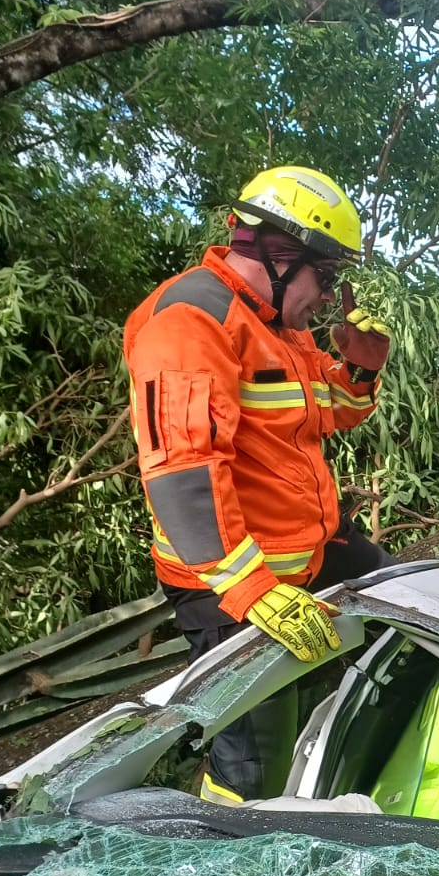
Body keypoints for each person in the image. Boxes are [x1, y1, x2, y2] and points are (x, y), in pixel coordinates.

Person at [123, 164, 393, 804]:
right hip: (224, 582)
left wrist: (359, 366)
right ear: (278, 253)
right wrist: (252, 591)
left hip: (305, 548)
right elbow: (182, 473)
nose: (329, 296)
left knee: (405, 610)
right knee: (253, 762)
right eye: (324, 276)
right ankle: (233, 864)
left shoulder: (279, 324)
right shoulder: (191, 320)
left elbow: (325, 414)